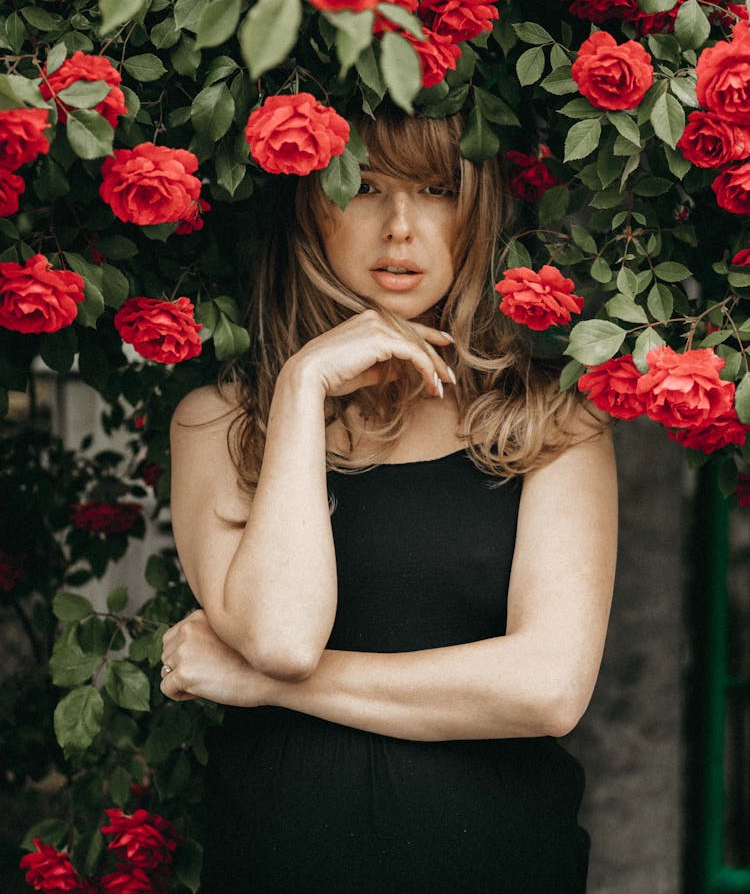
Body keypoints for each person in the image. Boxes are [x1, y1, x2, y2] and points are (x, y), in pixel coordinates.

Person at [161, 108, 618, 893]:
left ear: (477, 210)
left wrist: (267, 690)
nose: (400, 226)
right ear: (309, 203)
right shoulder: (220, 422)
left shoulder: (551, 420)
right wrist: (302, 389)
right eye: (365, 186)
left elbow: (547, 688)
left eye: (437, 189)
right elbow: (281, 637)